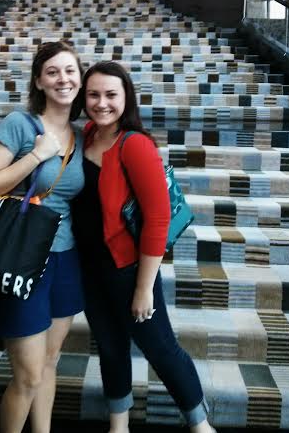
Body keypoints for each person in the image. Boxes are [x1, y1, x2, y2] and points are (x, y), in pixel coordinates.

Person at [72, 61, 215, 433]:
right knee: (109, 346)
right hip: (89, 267)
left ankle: (200, 424)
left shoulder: (134, 145)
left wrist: (144, 287)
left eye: (111, 95)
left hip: (128, 269)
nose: (101, 103)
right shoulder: (87, 135)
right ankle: (118, 425)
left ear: (127, 98)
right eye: (93, 95)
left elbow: (158, 219)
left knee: (160, 348)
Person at [0, 41, 85, 433]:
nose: (62, 79)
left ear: (80, 78)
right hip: (21, 258)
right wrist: (36, 156)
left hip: (66, 258)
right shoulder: (20, 125)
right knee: (28, 375)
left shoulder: (80, 136)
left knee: (49, 363)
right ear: (38, 81)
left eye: (70, 70)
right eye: (52, 71)